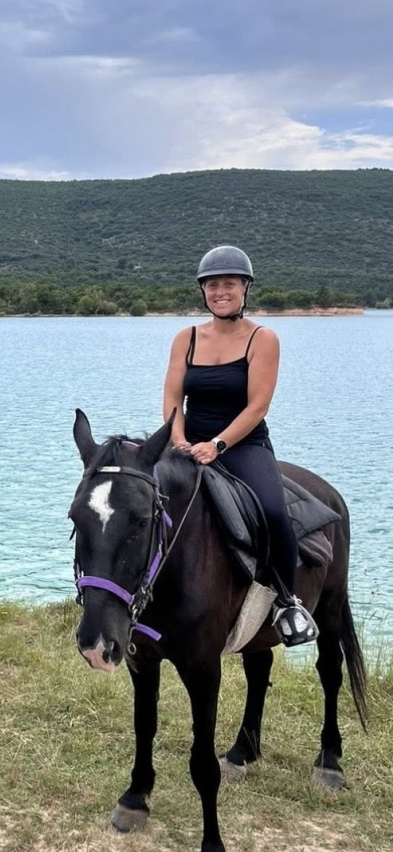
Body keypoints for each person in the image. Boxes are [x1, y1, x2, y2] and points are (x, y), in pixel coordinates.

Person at [162, 245, 317, 646]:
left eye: (228, 284)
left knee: (273, 511)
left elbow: (258, 405)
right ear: (203, 292)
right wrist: (178, 439)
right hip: (187, 443)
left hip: (242, 444)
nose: (220, 292)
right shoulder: (187, 338)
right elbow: (172, 398)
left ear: (245, 288)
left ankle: (287, 601)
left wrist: (218, 444)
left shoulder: (262, 339)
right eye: (212, 286)